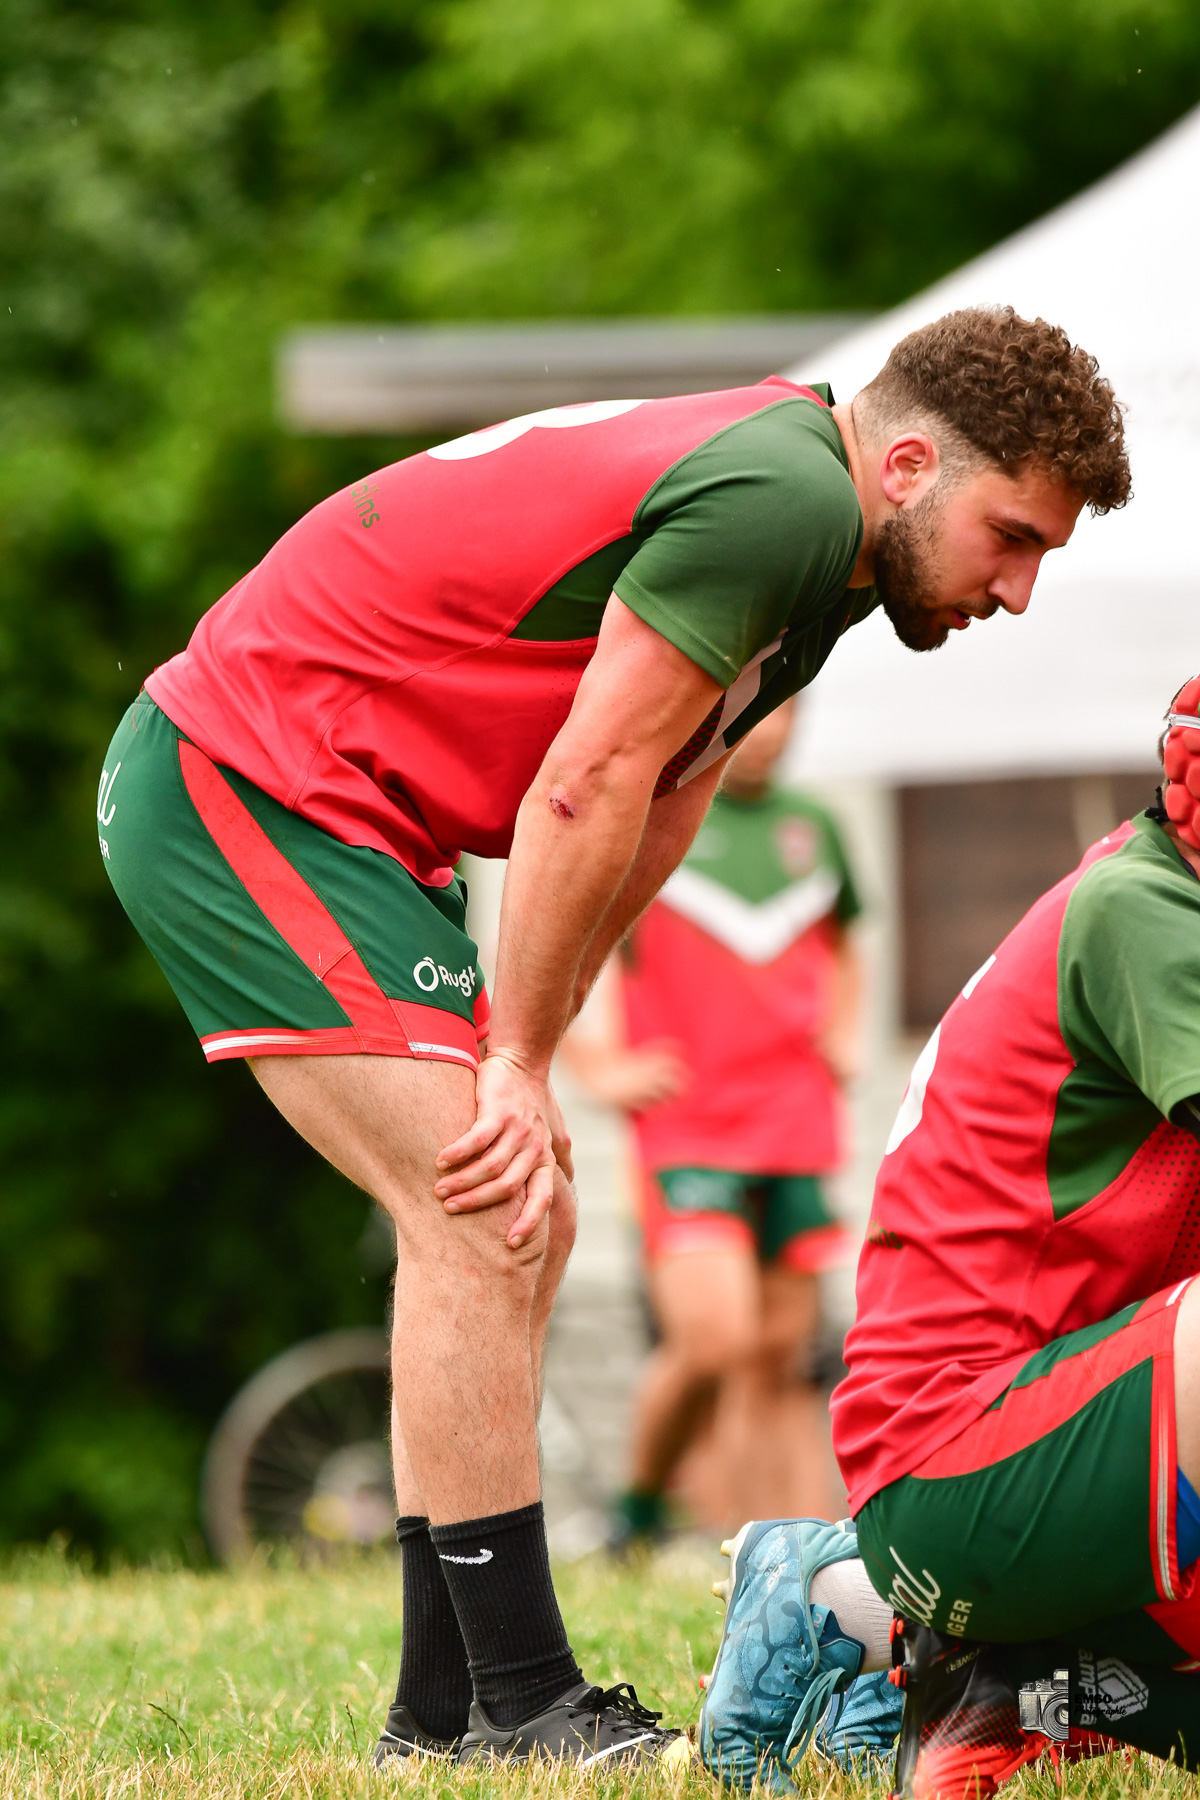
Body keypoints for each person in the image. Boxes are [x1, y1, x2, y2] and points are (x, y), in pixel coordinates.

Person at [95, 307, 1126, 1768]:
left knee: (516, 1208)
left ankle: (439, 1717)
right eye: (1011, 536)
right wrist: (514, 1064)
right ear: (904, 464)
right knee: (490, 1210)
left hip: (347, 815)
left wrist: (535, 1039)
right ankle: (522, 1704)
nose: (1016, 589)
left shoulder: (824, 556)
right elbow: (581, 784)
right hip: (245, 779)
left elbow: (662, 801)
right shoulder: (787, 499)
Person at [698, 675, 1200, 1800]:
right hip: (958, 1446)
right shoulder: (1149, 911)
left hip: (1062, 1435)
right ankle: (855, 1590)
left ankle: (971, 1674)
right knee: (715, 1338)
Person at [563, 697, 861, 1542]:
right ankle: (638, 1510)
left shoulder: (818, 828)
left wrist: (842, 1029)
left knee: (778, 1363)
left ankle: (773, 1554)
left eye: (792, 711)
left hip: (797, 1126)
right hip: (689, 1128)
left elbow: (848, 950)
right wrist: (597, 1066)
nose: (772, 729)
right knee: (715, 1339)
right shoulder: (657, 818)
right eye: (761, 710)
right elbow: (559, 946)